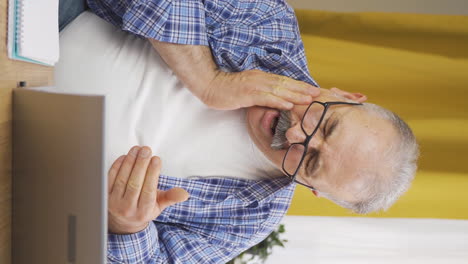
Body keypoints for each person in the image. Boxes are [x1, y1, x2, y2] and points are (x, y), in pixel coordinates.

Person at [80, 0, 420, 263]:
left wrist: (127, 226)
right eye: (327, 124)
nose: (296, 136)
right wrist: (207, 80)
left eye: (312, 162)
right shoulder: (269, 24)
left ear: (312, 188)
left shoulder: (250, 218)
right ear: (346, 96)